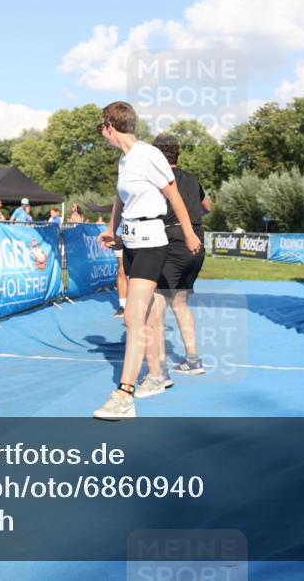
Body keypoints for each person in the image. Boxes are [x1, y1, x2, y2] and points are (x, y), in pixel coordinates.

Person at [94, 101, 201, 420]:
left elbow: (174, 195)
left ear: (110, 126)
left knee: (133, 317)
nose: (102, 134)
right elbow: (120, 198)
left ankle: (125, 393)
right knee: (143, 316)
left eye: (101, 128)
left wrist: (190, 233)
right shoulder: (125, 161)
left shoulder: (148, 154)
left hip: (153, 241)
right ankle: (157, 373)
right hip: (130, 242)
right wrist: (112, 230)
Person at [134, 134, 212, 398]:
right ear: (179, 153)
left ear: (157, 154)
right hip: (197, 242)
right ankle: (193, 360)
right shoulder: (192, 179)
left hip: (172, 241)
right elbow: (208, 206)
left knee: (156, 307)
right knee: (181, 303)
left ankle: (161, 372)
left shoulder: (158, 179)